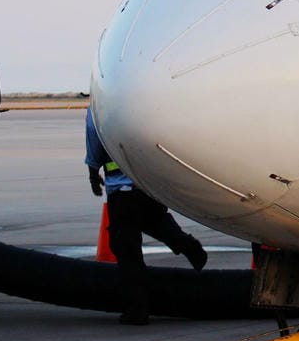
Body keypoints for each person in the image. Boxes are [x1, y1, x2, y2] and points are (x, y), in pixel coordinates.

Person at [85, 108, 207, 325]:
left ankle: (137, 309)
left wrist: (93, 171)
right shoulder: (137, 104)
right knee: (156, 222)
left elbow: (93, 135)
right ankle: (187, 245)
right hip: (148, 186)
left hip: (122, 191)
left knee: (126, 248)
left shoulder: (100, 105)